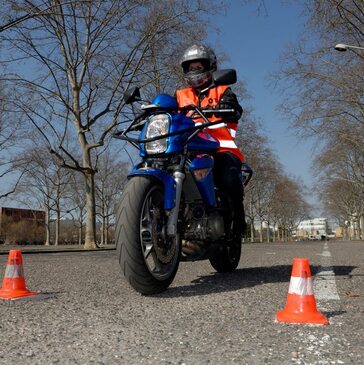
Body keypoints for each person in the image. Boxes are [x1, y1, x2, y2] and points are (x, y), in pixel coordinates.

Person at [176, 44, 246, 238]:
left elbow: (236, 110)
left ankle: (237, 220)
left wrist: (230, 107)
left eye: (198, 67)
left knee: (228, 179)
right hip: (187, 149)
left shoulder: (222, 91)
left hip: (220, 149)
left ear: (210, 67)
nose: (194, 72)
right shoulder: (180, 96)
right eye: (190, 68)